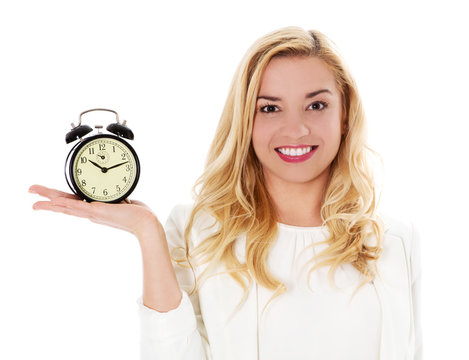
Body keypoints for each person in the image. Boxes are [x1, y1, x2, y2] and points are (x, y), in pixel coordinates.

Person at [30, 26, 422, 359]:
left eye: (316, 105)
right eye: (269, 108)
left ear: (344, 113)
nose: (296, 129)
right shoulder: (196, 231)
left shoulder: (394, 242)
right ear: (245, 120)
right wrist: (147, 232)